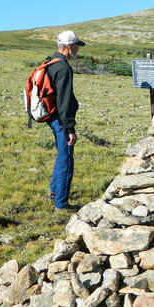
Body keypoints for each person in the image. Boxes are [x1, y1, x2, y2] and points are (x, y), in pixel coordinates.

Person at [46, 30, 84, 211]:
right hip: (61, 121)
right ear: (69, 47)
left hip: (51, 117)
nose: (77, 49)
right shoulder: (64, 68)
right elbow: (64, 100)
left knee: (61, 157)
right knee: (66, 160)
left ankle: (54, 192)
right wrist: (70, 128)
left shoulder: (50, 62)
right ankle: (60, 204)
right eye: (76, 45)